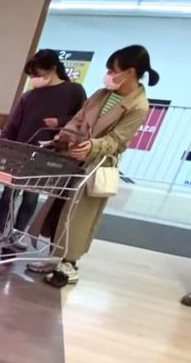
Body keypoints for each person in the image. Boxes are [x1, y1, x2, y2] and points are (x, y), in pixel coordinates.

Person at [28, 45, 159, 286]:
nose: (108, 74)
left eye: (112, 70)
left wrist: (92, 146)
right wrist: (64, 137)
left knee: (80, 216)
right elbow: (79, 119)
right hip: (72, 158)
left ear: (130, 72)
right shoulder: (102, 94)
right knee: (59, 207)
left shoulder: (139, 106)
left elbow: (117, 140)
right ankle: (55, 255)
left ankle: (70, 263)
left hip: (96, 166)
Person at [0, 50, 86, 247]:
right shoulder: (28, 96)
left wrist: (60, 122)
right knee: (9, 193)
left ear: (53, 68)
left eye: (37, 74)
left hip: (48, 154)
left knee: (31, 196)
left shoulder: (74, 91)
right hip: (21, 152)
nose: (34, 79)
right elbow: (13, 124)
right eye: (31, 75)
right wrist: (3, 144)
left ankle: (18, 234)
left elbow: (82, 119)